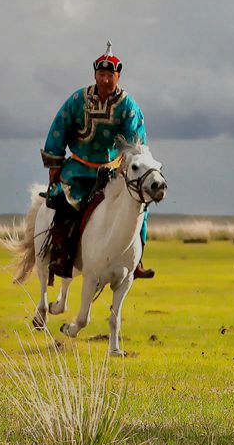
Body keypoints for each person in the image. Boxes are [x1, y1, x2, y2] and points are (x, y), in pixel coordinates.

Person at [40, 44, 154, 281]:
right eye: (101, 75)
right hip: (78, 169)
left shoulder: (128, 107)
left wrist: (127, 164)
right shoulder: (77, 100)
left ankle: (136, 259)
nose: (104, 80)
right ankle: (60, 254)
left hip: (111, 172)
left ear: (118, 76)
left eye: (109, 75)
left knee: (139, 205)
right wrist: (55, 164)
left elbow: (135, 142)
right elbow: (59, 128)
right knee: (63, 203)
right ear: (95, 75)